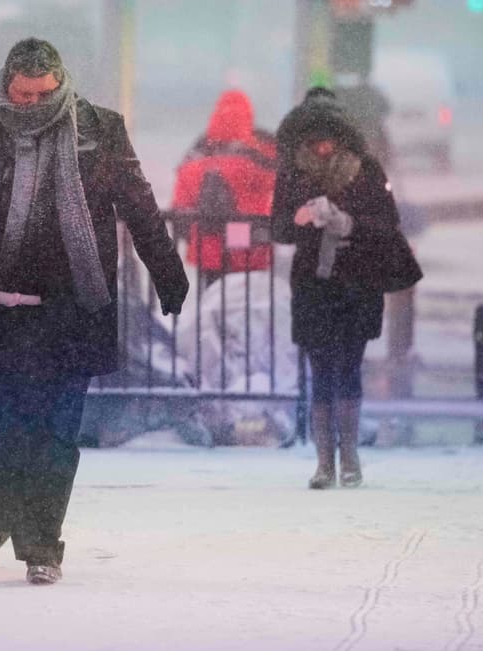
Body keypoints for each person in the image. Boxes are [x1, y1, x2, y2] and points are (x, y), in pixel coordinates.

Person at [0, 38, 188, 585]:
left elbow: (139, 208)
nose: (30, 106)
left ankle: (43, 542)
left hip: (68, 313)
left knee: (53, 434)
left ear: (61, 84)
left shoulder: (98, 128)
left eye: (42, 96)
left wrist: (167, 272)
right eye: (21, 95)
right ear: (5, 83)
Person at [271, 93, 420, 489]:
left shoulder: (366, 171)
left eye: (328, 138)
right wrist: (302, 219)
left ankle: (349, 456)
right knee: (320, 371)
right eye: (313, 139)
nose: (322, 146)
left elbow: (387, 226)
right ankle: (325, 462)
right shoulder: (293, 175)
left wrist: (348, 224)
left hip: (358, 283)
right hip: (313, 286)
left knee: (350, 368)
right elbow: (279, 228)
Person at [171, 89, 277, 290]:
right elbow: (279, 189)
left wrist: (190, 235)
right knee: (246, 307)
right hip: (250, 244)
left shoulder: (198, 154)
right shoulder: (263, 151)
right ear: (249, 115)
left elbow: (180, 205)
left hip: (208, 244)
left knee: (213, 305)